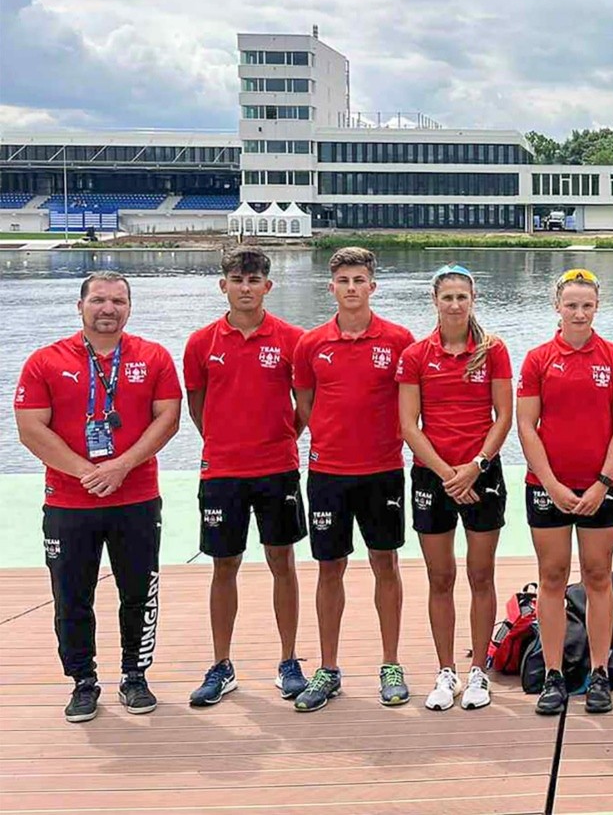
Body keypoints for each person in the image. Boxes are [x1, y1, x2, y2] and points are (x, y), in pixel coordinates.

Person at [15, 271, 181, 722]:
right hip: (69, 501)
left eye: (118, 301)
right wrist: (88, 472)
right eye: (99, 300)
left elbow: (168, 417)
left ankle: (135, 675)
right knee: (71, 595)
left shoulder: (153, 356)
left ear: (130, 307)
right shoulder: (45, 360)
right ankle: (83, 682)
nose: (108, 309)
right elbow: (30, 426)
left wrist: (122, 465)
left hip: (136, 497)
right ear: (80, 306)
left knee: (139, 592)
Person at [290, 247, 415, 712]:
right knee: (330, 567)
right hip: (327, 472)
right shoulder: (310, 344)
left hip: (382, 470)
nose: (351, 289)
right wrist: (328, 435)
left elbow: (409, 404)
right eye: (343, 281)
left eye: (359, 280)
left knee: (386, 563)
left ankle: (390, 663)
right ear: (332, 288)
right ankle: (328, 668)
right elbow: (305, 403)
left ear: (372, 287)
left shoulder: (400, 340)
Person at [182, 248, 309, 707]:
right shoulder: (200, 342)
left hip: (277, 469)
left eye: (254, 279)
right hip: (222, 471)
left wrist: (280, 437)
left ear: (267, 287)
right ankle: (221, 665)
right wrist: (224, 439)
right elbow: (198, 406)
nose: (246, 287)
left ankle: (289, 661)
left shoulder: (293, 339)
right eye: (237, 279)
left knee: (283, 562)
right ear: (224, 285)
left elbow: (305, 404)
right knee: (224, 565)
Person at [517, 268, 613, 716]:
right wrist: (550, 482)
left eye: (587, 305)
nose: (579, 313)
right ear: (558, 307)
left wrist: (603, 483)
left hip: (599, 487)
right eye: (572, 305)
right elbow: (527, 426)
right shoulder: (537, 358)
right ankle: (553, 674)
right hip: (548, 486)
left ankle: (600, 672)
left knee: (598, 577)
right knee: (551, 577)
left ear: (597, 307)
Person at [398, 264, 513, 712]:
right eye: (447, 297)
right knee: (440, 577)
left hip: (482, 472)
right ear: (435, 301)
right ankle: (446, 671)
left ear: (473, 299)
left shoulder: (493, 350)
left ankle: (479, 672)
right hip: (434, 475)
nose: (454, 305)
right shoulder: (415, 355)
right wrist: (449, 473)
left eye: (462, 297)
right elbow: (409, 424)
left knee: (480, 575)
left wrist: (476, 466)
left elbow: (502, 416)